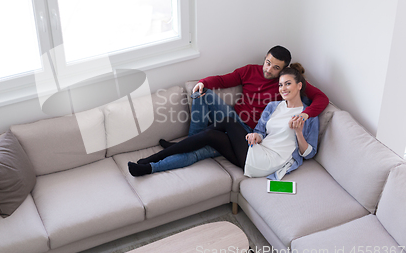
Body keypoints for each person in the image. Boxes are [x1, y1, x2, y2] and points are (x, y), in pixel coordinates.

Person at [130, 46, 328, 175]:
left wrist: (305, 114)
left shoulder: (286, 83)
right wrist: (202, 82)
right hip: (236, 124)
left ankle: (153, 164)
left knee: (199, 151)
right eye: (268, 63)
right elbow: (224, 80)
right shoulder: (251, 72)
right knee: (202, 93)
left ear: (284, 70)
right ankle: (193, 138)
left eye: (276, 68)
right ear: (265, 58)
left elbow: (321, 98)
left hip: (245, 134)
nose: (269, 70)